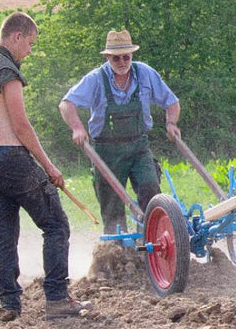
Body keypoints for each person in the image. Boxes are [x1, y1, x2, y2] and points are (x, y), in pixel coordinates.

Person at [0, 12, 92, 322]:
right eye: (30, 43)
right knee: (56, 225)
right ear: (17, 36)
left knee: (3, 236)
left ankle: (9, 304)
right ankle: (57, 299)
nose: (30, 51)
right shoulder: (7, 71)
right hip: (13, 157)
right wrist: (49, 167)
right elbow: (21, 125)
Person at [59, 30, 181, 234]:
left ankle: (153, 239)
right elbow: (66, 104)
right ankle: (116, 248)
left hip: (139, 147)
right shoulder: (96, 79)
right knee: (112, 207)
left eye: (126, 57)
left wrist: (171, 123)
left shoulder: (145, 73)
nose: (122, 62)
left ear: (132, 55)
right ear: (108, 57)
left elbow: (172, 102)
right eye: (116, 58)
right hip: (107, 151)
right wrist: (77, 128)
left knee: (151, 190)